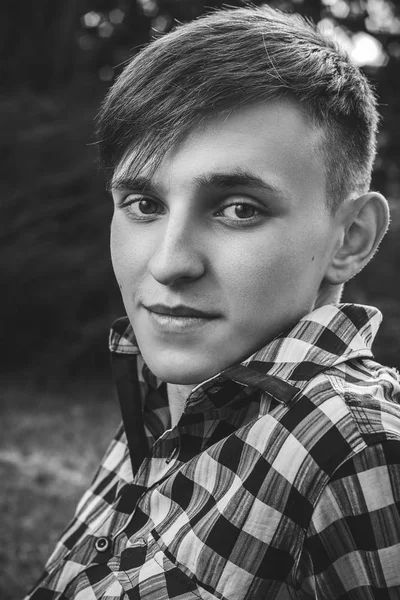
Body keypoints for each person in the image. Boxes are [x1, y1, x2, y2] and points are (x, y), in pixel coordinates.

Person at [26, 5, 400, 599]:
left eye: (239, 208)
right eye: (145, 204)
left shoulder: (354, 447)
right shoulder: (163, 404)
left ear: (350, 239)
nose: (170, 262)